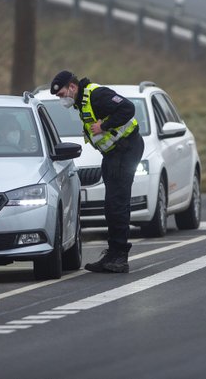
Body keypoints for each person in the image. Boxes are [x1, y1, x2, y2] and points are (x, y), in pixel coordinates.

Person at [51, 69, 143, 273]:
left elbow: (127, 108)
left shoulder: (97, 95)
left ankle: (119, 257)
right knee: (112, 205)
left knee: (117, 203)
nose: (61, 99)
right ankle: (113, 253)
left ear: (72, 87)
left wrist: (105, 126)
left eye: (61, 94)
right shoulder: (81, 101)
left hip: (126, 149)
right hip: (113, 153)